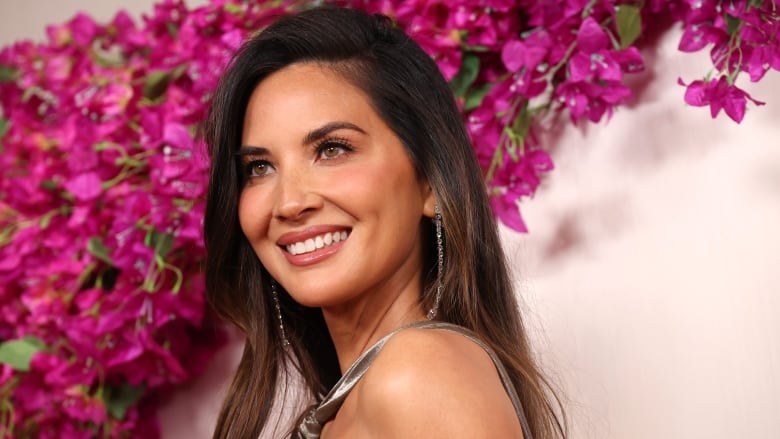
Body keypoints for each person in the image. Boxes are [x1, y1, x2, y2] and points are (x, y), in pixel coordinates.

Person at [203, 6, 565, 439]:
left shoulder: (418, 376)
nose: (289, 202)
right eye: (259, 167)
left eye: (332, 149)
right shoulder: (363, 400)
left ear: (430, 181)